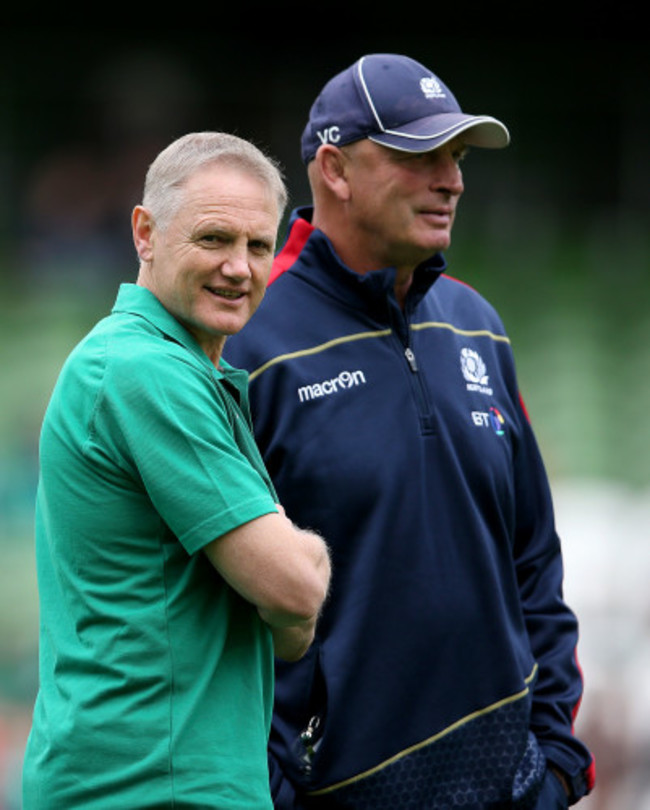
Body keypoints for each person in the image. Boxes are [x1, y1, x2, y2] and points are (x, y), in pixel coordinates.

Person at [223, 54, 596, 808]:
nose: (451, 179)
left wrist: (556, 760)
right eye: (420, 156)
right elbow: (217, 610)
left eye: (455, 157)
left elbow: (535, 563)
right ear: (334, 169)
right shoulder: (246, 342)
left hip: (511, 784)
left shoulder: (477, 325)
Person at [22, 131, 331, 809]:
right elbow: (292, 593)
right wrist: (297, 559)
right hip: (147, 787)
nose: (240, 269)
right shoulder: (146, 371)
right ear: (145, 233)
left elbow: (286, 623)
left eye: (257, 246)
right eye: (215, 239)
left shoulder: (181, 368)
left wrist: (285, 572)